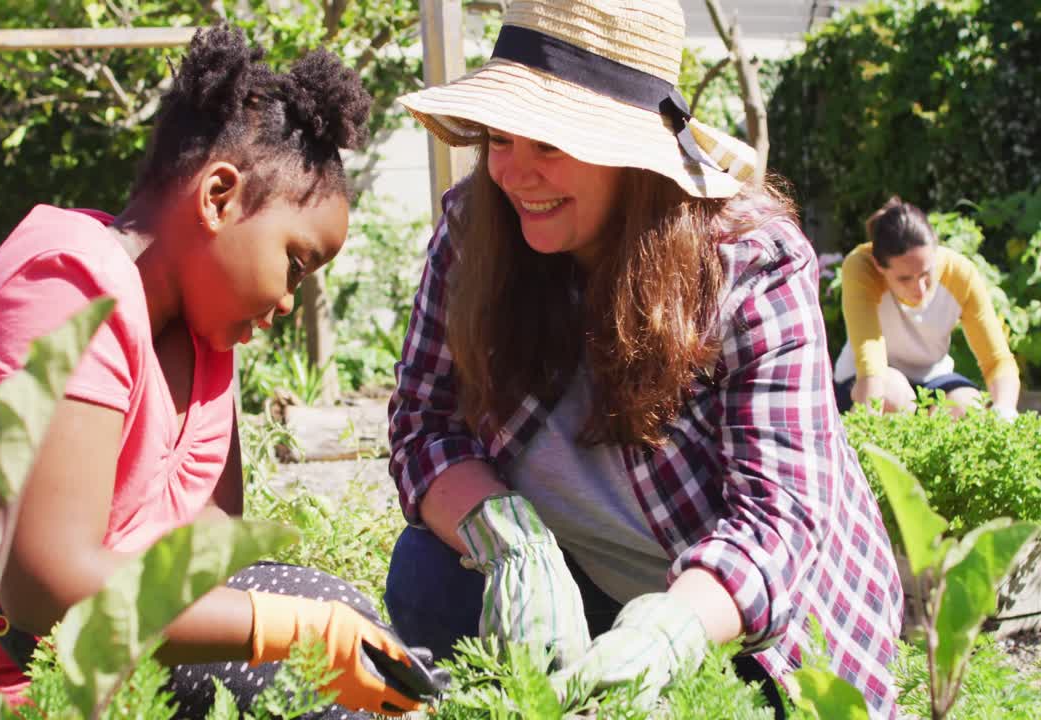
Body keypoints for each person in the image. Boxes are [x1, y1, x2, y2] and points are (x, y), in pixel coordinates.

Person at [0, 26, 437, 720]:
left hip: (84, 684)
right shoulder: (70, 284)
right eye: (294, 264)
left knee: (344, 634)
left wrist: (323, 624)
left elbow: (208, 564)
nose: (288, 302)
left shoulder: (205, 342)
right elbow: (44, 585)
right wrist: (292, 630)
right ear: (218, 197)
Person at [381, 1, 904, 718]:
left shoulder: (750, 266)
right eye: (500, 138)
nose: (516, 174)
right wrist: (509, 541)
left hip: (736, 619)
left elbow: (777, 522)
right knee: (426, 575)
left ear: (633, 155)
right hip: (573, 582)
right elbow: (424, 426)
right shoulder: (476, 231)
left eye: (550, 144)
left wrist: (669, 632)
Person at [834, 196, 1021, 418]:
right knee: (892, 396)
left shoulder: (959, 273)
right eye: (905, 279)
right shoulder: (861, 267)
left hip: (933, 377)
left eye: (926, 273)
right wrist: (866, 421)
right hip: (868, 379)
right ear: (879, 266)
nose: (920, 289)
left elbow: (997, 360)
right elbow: (871, 357)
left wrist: (1004, 411)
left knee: (968, 407)